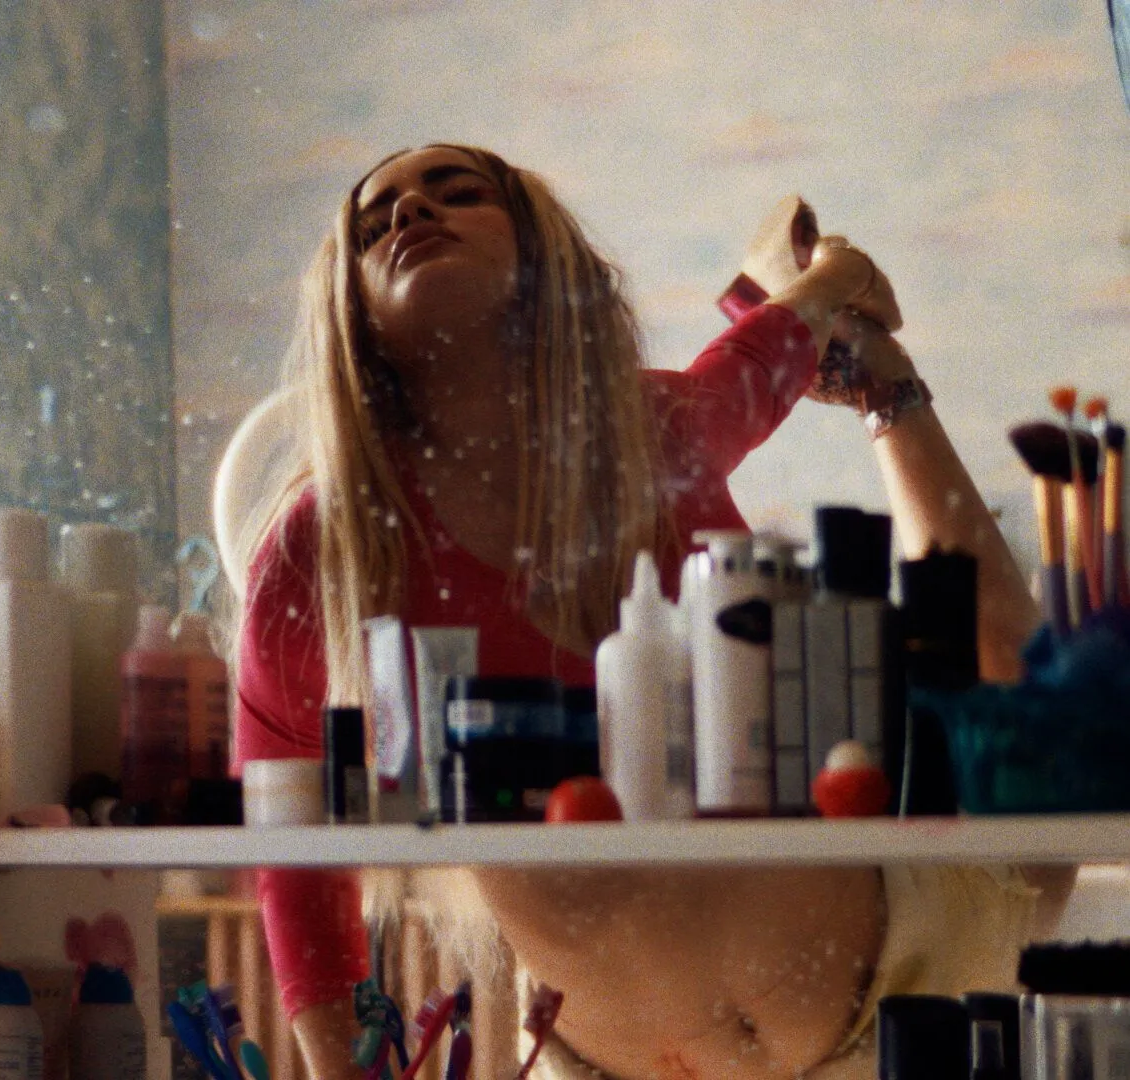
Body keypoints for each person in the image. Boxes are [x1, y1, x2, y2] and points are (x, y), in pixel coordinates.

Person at [235, 143, 1071, 1080]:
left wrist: (834, 284)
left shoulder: (655, 431)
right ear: (346, 310)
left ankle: (882, 383)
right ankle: (819, 323)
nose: (408, 214)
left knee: (1035, 717)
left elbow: (758, 356)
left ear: (542, 256)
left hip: (902, 986)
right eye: (371, 221)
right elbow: (292, 856)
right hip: (602, 1064)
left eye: (457, 192)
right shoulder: (324, 552)